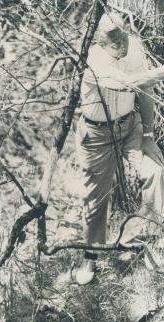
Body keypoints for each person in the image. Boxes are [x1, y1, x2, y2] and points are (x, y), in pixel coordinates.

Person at [75, 12, 164, 285]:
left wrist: (148, 133)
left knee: (155, 173)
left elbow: (144, 92)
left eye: (122, 35)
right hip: (97, 135)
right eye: (112, 38)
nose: (120, 42)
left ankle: (149, 237)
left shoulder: (133, 46)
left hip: (130, 128)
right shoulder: (90, 58)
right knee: (96, 199)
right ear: (99, 39)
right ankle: (91, 255)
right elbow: (129, 83)